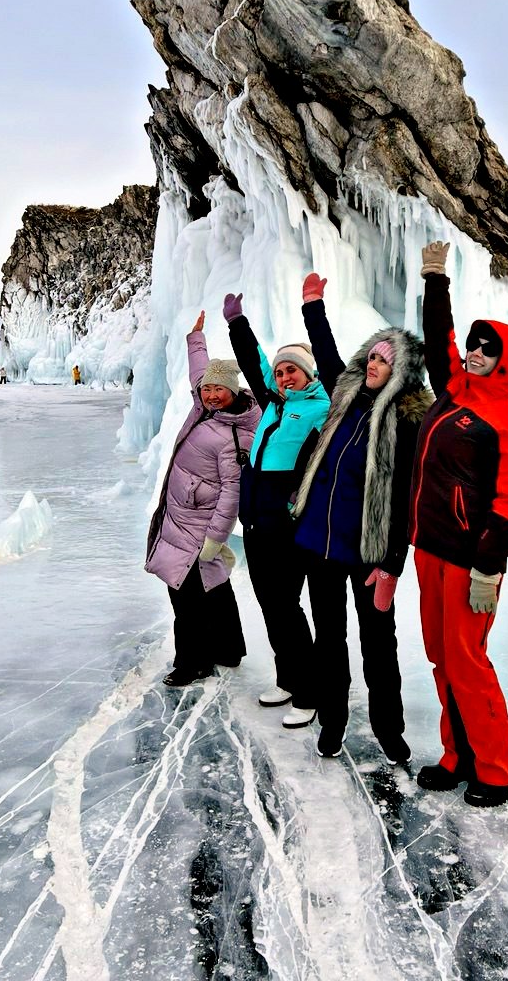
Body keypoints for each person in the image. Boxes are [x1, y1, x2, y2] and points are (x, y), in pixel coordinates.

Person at [410, 241, 508, 807]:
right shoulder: (454, 393)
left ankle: (498, 766)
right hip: (430, 549)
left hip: (469, 559)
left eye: (489, 349)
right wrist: (436, 280)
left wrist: (489, 567)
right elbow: (439, 343)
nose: (477, 352)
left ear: (507, 361)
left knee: (468, 660)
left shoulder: (507, 423)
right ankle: (458, 754)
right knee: (441, 655)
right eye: (475, 344)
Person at [292, 272, 432, 762]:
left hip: (368, 553)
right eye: (371, 355)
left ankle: (389, 731)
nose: (374, 364)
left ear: (402, 372)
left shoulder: (409, 419)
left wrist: (393, 563)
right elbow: (326, 354)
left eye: (384, 361)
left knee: (379, 647)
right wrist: (313, 306)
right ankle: (333, 723)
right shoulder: (345, 396)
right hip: (318, 545)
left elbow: (406, 499)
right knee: (329, 642)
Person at [222, 291, 331, 728]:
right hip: (257, 521)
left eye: (293, 371)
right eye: (282, 371)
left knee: (286, 605)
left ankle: (309, 691)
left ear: (310, 374)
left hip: (288, 522)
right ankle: (288, 677)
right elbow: (254, 364)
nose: (285, 377)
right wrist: (237, 325)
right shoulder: (274, 404)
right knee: (270, 604)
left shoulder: (322, 408)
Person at [146, 311, 261, 686]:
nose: (210, 395)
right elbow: (200, 376)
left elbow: (233, 491)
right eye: (208, 390)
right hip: (182, 513)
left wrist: (215, 538)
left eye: (218, 390)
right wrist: (196, 339)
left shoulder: (236, 433)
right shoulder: (206, 407)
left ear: (234, 392)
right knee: (213, 585)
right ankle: (229, 649)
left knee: (185, 593)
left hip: (198, 523)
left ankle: (191, 663)